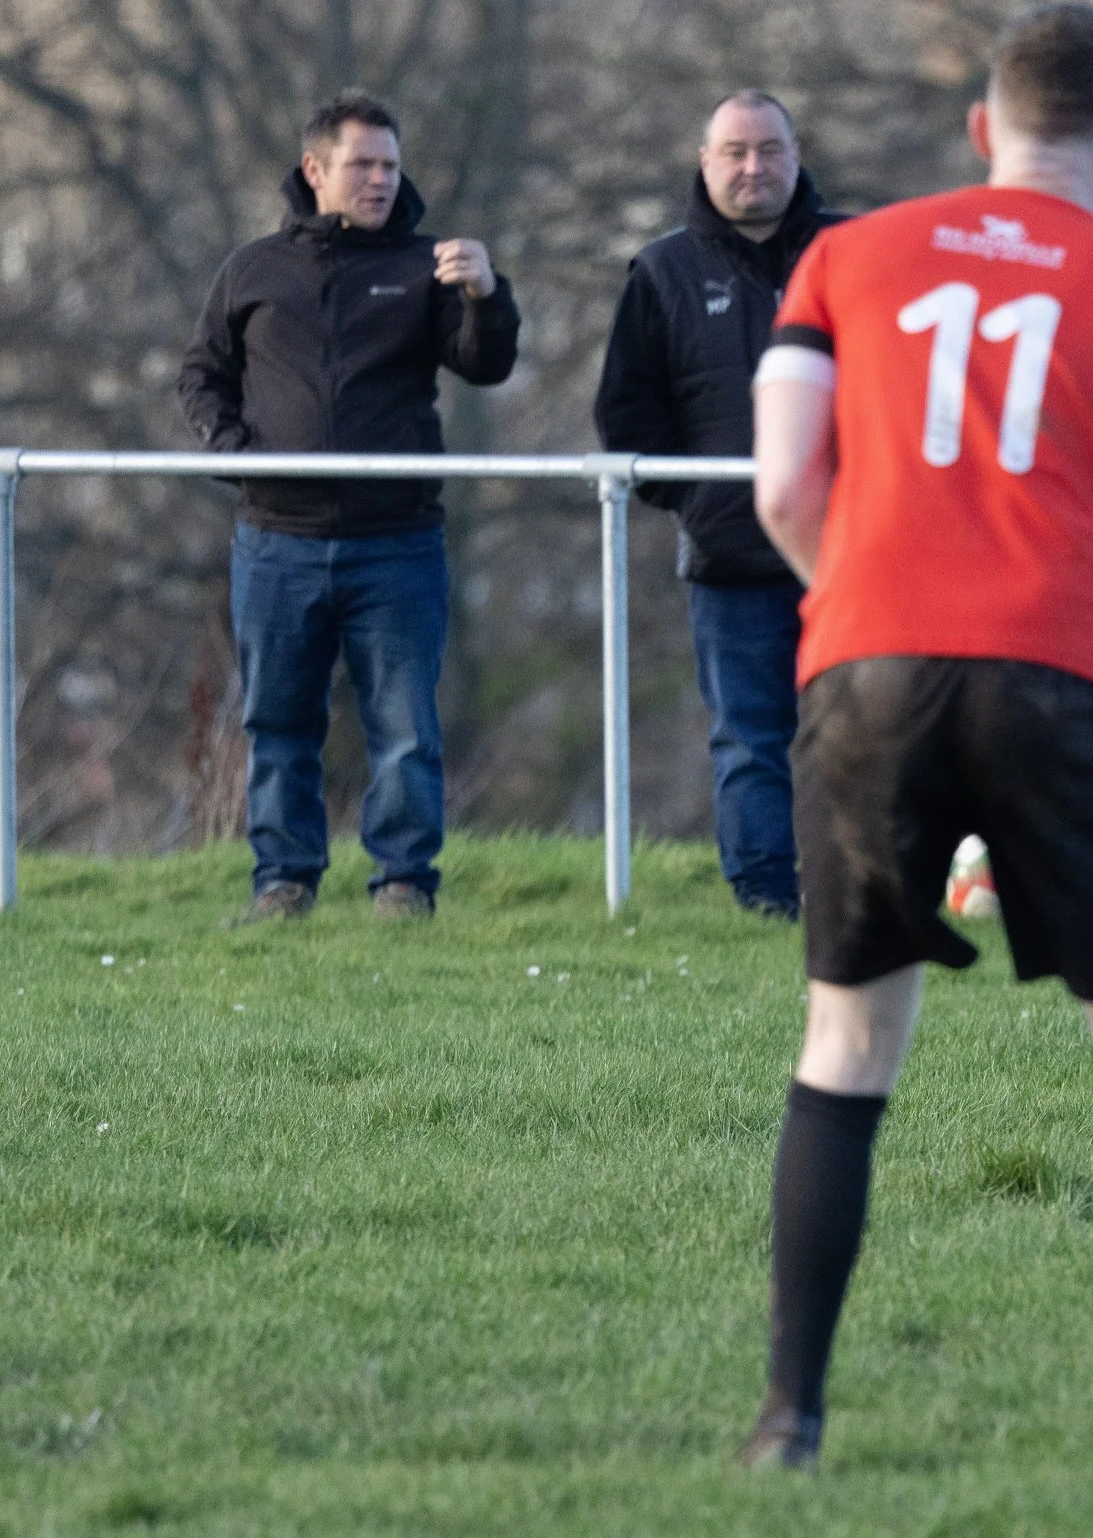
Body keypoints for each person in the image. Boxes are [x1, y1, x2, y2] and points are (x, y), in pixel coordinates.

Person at [740, 3, 1093, 1471]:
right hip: (1054, 680)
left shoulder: (843, 260)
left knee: (848, 1040)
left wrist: (862, 608)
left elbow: (785, 484)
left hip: (868, 673)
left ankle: (791, 1417)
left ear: (982, 129)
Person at [180, 89, 519, 921]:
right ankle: (282, 885)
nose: (379, 181)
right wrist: (234, 454)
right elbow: (201, 376)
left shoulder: (428, 265)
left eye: (390, 167)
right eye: (362, 165)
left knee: (404, 730)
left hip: (397, 543)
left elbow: (484, 365)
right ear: (315, 169)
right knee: (278, 724)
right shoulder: (252, 269)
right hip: (274, 543)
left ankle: (403, 887)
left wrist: (485, 295)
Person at [595, 91, 846, 919]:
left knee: (863, 729)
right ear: (704, 162)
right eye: (734, 152)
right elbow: (626, 417)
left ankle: (863, 886)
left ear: (796, 154)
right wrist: (699, 501)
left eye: (769, 149)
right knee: (748, 738)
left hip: (852, 550)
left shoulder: (854, 252)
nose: (753, 167)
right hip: (729, 557)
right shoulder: (662, 272)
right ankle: (766, 899)